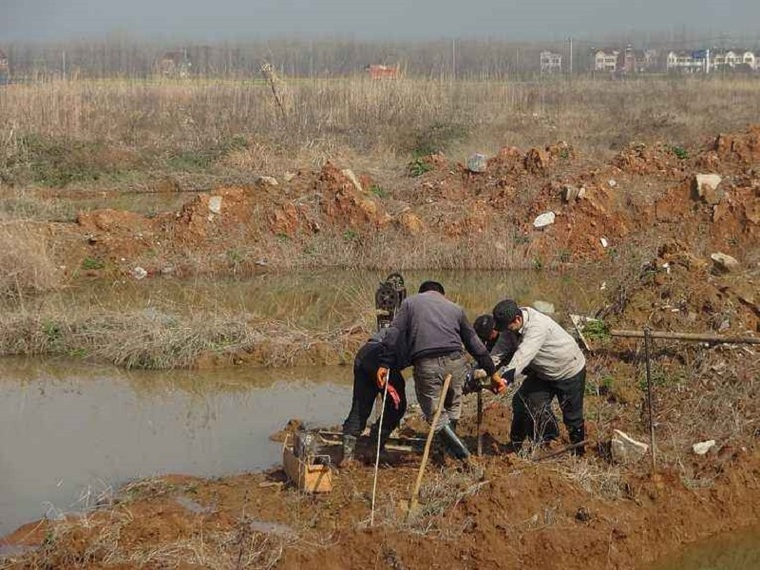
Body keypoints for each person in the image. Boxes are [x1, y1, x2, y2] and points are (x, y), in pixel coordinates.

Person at [379, 281, 505, 461]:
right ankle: (449, 453)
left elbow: (394, 333)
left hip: (426, 363)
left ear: (421, 293)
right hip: (456, 362)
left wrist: (384, 363)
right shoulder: (455, 308)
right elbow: (474, 343)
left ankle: (463, 456)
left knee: (435, 415)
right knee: (453, 407)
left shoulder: (410, 303)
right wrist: (493, 374)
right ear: (442, 294)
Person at [492, 299, 587, 455]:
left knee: (572, 417)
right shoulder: (510, 328)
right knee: (522, 401)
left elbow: (523, 355)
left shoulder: (537, 326)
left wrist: (505, 379)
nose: (506, 331)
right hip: (544, 373)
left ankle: (579, 452)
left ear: (517, 319)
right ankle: (519, 445)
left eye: (507, 328)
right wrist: (483, 370)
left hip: (569, 370)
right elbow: (498, 351)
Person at [341, 327, 408, 465]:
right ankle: (375, 447)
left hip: (365, 355)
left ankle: (348, 456)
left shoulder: (402, 321)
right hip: (381, 358)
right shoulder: (418, 330)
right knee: (397, 406)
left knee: (360, 407)